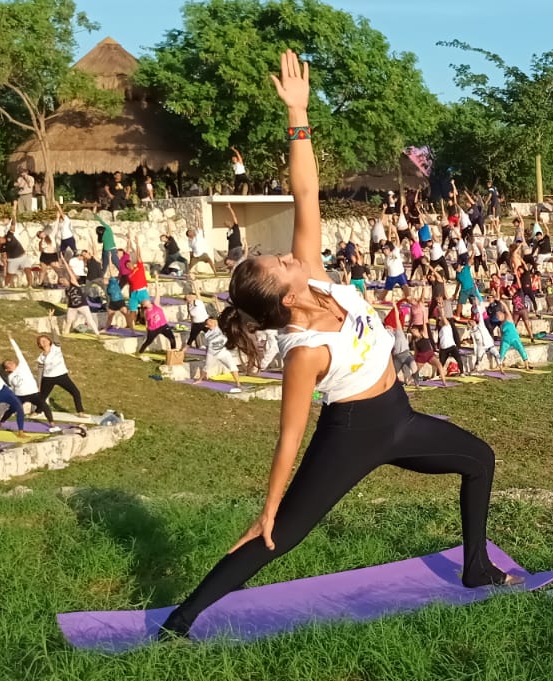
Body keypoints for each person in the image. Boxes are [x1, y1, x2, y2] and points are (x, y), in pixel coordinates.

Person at [157, 51, 521, 641]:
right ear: (283, 297)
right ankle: (181, 621)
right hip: (351, 436)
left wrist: (297, 115)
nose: (285, 254)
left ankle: (476, 568)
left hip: (399, 416)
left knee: (479, 459)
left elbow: (307, 192)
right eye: (276, 262)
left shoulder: (316, 277)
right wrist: (268, 504)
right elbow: (289, 439)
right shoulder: (304, 352)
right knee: (278, 537)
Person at [0, 335, 56, 428]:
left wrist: (12, 340)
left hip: (33, 393)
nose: (11, 363)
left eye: (11, 362)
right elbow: (13, 387)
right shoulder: (10, 377)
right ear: (6, 369)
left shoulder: (22, 365)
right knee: (12, 409)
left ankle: (52, 423)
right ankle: (1, 422)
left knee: (44, 406)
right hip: (20, 396)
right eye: (8, 364)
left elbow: (18, 352)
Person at [35, 335, 84, 414]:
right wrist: (38, 384)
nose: (44, 341)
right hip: (48, 378)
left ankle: (80, 412)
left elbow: (56, 337)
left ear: (49, 341)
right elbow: (40, 372)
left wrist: (52, 324)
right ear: (39, 345)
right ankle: (37, 412)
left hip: (62, 375)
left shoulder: (56, 348)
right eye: (41, 341)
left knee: (76, 392)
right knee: (42, 397)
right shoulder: (41, 357)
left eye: (45, 339)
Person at [224, 204, 245, 269]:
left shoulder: (235, 227)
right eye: (226, 224)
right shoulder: (228, 232)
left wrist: (230, 208)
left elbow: (234, 216)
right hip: (231, 249)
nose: (227, 223)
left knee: (241, 262)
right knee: (229, 263)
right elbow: (229, 240)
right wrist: (228, 229)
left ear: (231, 223)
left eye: (228, 222)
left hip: (238, 247)